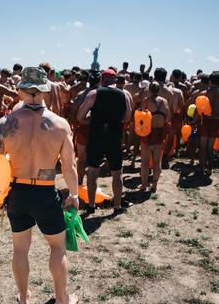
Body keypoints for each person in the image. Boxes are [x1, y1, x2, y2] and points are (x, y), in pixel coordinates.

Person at [0, 67, 79, 304]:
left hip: (17, 193)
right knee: (57, 247)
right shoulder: (61, 125)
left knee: (20, 249)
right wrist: (73, 195)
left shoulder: (6, 123)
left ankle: (24, 298)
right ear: (45, 90)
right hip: (44, 191)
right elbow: (69, 168)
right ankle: (62, 299)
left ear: (19, 91)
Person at [77, 69, 132, 214]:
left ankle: (91, 205)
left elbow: (79, 116)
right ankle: (117, 206)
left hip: (97, 135)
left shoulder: (93, 94)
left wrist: (91, 120)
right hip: (114, 136)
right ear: (115, 80)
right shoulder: (124, 95)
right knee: (117, 173)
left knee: (93, 171)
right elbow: (127, 117)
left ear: (102, 79)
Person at [69, 69, 101, 184]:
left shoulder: (81, 94)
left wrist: (77, 124)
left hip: (83, 129)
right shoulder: (103, 95)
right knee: (94, 160)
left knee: (82, 159)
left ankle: (80, 182)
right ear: (100, 81)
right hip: (98, 130)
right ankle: (91, 186)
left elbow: (72, 113)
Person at [139, 82, 171, 192]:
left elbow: (140, 117)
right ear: (158, 90)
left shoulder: (146, 101)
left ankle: (143, 185)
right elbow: (168, 118)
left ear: (150, 90)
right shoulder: (164, 101)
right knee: (157, 162)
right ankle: (154, 186)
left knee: (145, 162)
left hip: (148, 133)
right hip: (159, 133)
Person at [196, 71, 219, 176]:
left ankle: (201, 168)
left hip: (205, 121)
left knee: (203, 146)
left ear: (209, 81)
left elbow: (198, 110)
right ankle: (209, 169)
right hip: (216, 122)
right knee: (210, 147)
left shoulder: (203, 93)